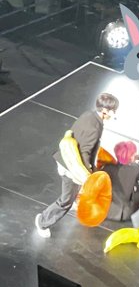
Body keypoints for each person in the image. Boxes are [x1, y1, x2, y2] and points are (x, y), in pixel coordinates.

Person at [35, 93, 119, 238]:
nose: (114, 114)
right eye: (113, 111)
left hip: (67, 159)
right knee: (65, 201)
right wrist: (88, 175)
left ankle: (76, 199)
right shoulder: (94, 127)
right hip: (70, 168)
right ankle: (42, 221)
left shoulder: (90, 115)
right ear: (105, 111)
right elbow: (85, 152)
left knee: (78, 188)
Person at [101, 141, 139, 222]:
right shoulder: (137, 168)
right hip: (125, 214)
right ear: (132, 156)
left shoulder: (107, 168)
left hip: (108, 211)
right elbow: (132, 169)